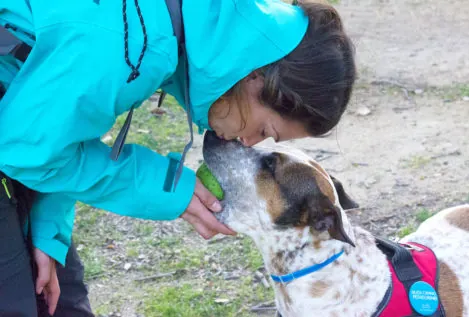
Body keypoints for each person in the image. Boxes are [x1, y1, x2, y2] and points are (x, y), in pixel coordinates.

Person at [0, 0, 356, 315]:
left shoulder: (166, 22)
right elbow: (25, 149)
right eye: (264, 131)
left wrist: (47, 230)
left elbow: (65, 126)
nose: (248, 143)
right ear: (255, 76)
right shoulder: (128, 41)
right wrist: (168, 188)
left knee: (58, 298)